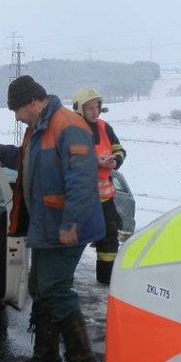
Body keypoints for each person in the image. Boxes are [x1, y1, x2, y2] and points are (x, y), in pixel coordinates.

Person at [0, 75, 105, 362]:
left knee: (55, 289)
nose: (16, 117)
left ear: (32, 103)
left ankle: (83, 360)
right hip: (47, 225)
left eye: (17, 110)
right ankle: (46, 356)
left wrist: (70, 223)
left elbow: (82, 180)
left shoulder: (68, 125)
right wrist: (1, 150)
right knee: (40, 285)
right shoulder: (38, 128)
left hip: (66, 226)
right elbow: (28, 160)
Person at [72, 87, 127, 285]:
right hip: (82, 198)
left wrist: (116, 161)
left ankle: (106, 280)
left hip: (105, 198)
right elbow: (72, 159)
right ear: (80, 110)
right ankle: (65, 278)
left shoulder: (105, 127)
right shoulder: (74, 130)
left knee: (109, 239)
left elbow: (119, 150)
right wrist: (96, 163)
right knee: (75, 239)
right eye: (90, 108)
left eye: (96, 107)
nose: (94, 111)